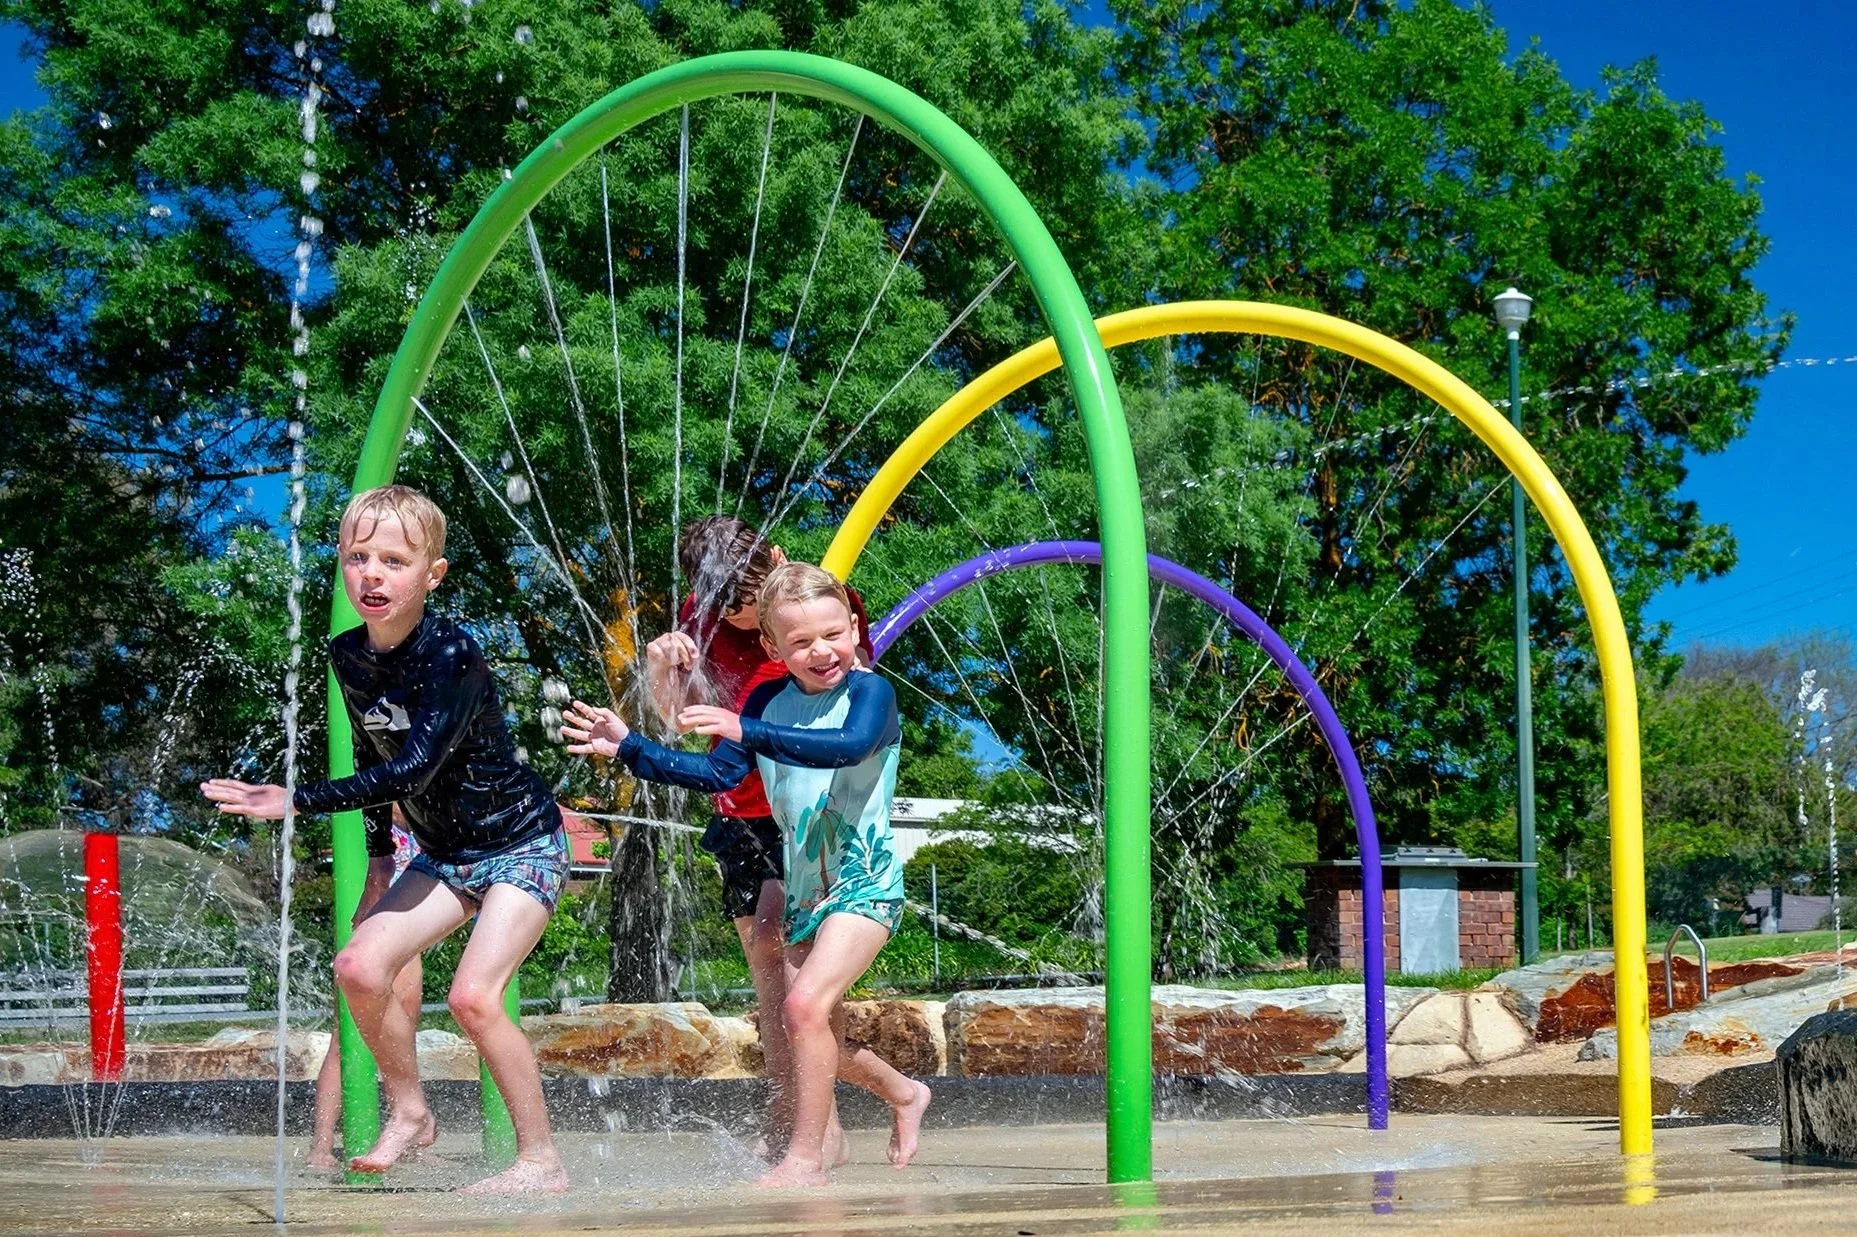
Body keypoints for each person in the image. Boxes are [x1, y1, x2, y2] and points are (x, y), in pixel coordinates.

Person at [202, 484, 570, 1195]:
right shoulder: (348, 654)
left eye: (395, 560)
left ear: (431, 574)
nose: (373, 574)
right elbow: (374, 758)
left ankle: (541, 1159)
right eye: (357, 556)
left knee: (474, 997)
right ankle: (409, 1110)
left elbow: (414, 766)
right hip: (443, 854)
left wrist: (294, 799)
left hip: (522, 843)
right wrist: (377, 862)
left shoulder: (452, 653)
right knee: (359, 967)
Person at [564, 561, 930, 1188]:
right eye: (801, 641)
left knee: (804, 1006)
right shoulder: (765, 699)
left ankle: (805, 1158)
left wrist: (746, 727)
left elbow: (845, 747)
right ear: (772, 647)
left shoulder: (871, 693)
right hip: (805, 893)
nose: (823, 651)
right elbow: (718, 776)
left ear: (852, 624)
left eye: (833, 633)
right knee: (805, 1027)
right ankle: (902, 1092)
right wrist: (628, 746)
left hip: (864, 883)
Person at [642, 516, 871, 1161]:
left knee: (803, 973)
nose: (742, 621)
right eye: (730, 610)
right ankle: (794, 1106)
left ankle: (821, 1116)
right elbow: (680, 720)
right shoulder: (701, 615)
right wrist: (663, 668)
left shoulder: (819, 609)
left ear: (774, 558)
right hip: (741, 810)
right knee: (770, 969)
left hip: (809, 812)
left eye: (751, 603)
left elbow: (850, 700)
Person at [306, 809, 425, 1173]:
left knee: (401, 1039)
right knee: (345, 1042)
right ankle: (321, 1145)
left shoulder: (423, 826)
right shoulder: (365, 822)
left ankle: (408, 1139)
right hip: (369, 935)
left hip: (407, 940)